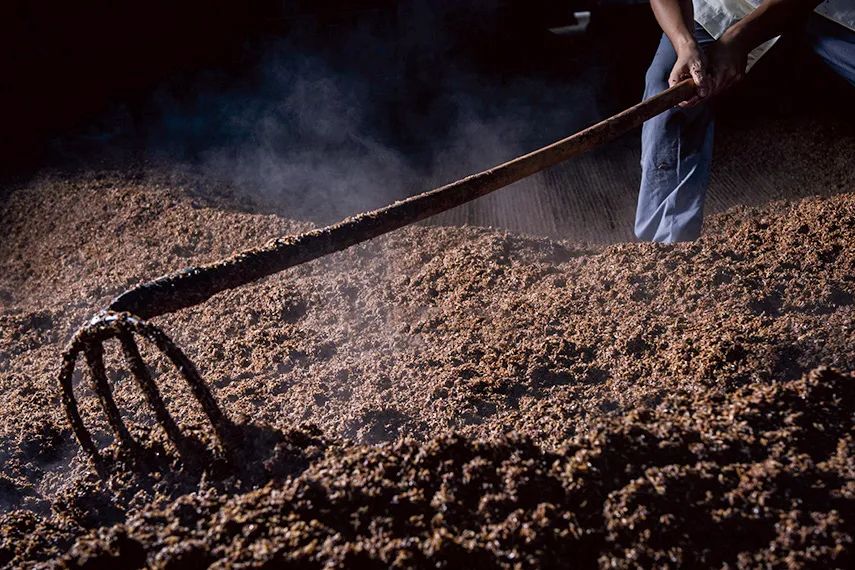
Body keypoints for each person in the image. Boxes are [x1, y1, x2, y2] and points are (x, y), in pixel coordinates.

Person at [635, 0, 854, 243]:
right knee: (667, 85)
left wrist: (738, 39)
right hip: (729, 4)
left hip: (833, 8)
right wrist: (684, 43)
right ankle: (665, 246)